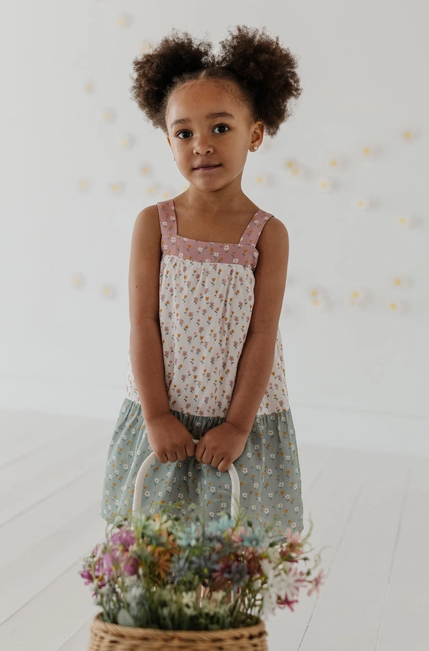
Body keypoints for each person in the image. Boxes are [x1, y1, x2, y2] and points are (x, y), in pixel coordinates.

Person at [101, 25, 304, 541]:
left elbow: (263, 335)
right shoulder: (154, 223)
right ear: (169, 142)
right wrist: (157, 415)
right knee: (156, 541)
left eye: (220, 128)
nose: (202, 146)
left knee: (231, 547)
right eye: (184, 133)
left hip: (235, 417)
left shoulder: (267, 234)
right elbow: (142, 324)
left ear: (254, 134)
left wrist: (238, 427)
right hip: (163, 409)